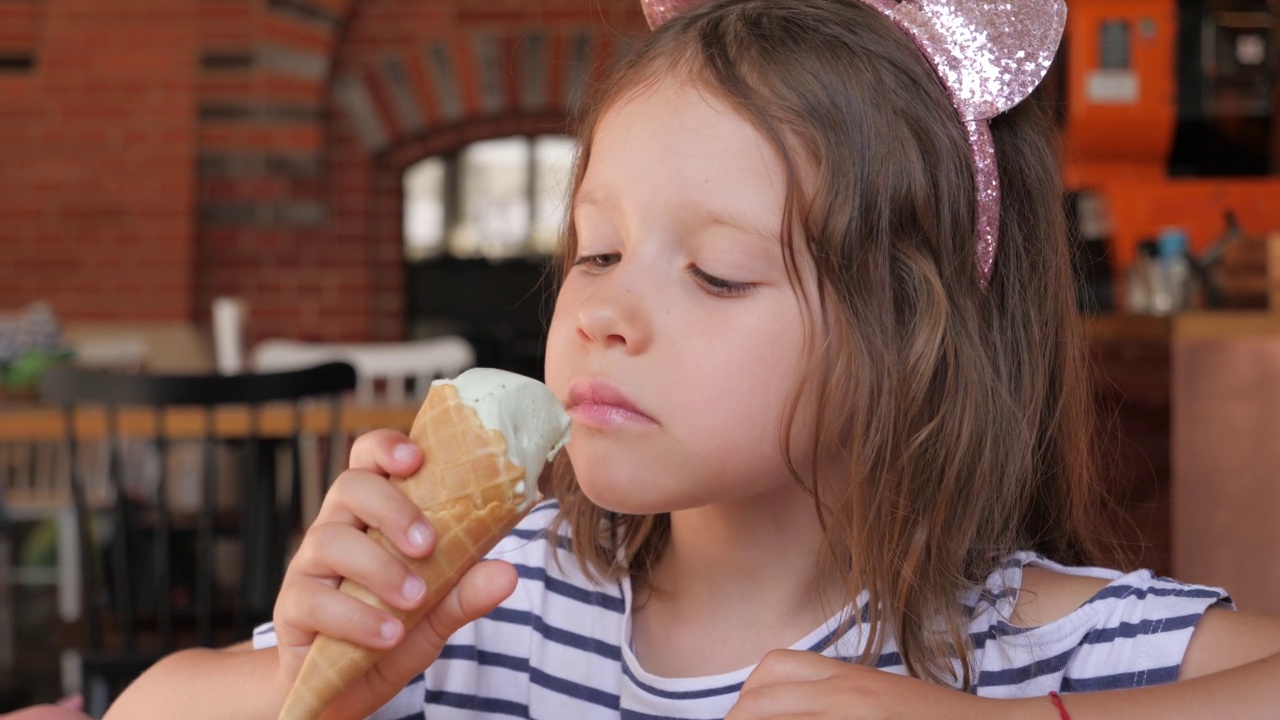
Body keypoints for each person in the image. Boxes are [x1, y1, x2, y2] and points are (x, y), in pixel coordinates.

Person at [108, 0, 1280, 717]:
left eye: (717, 274)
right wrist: (305, 682)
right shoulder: (487, 605)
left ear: (908, 336)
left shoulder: (1031, 646)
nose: (605, 313)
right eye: (595, 251)